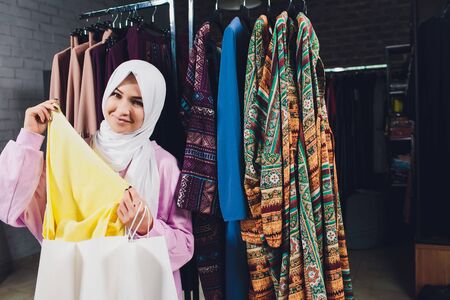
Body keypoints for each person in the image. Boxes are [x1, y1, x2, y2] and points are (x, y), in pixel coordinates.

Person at [0, 60, 193, 299]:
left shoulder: (163, 164)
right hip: (82, 284)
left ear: (154, 107)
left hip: (139, 288)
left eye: (138, 102)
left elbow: (185, 246)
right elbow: (11, 208)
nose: (123, 110)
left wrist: (147, 228)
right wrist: (29, 137)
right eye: (117, 95)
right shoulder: (77, 155)